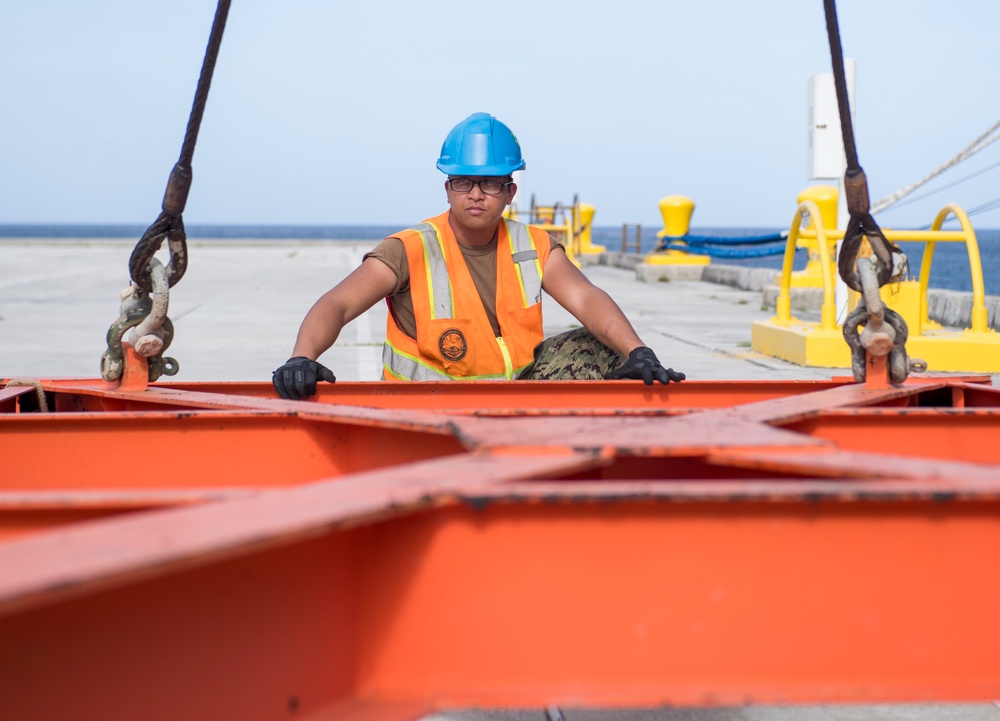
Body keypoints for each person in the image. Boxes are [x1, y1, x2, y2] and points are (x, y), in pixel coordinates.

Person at [273, 112, 684, 399]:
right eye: (463, 182)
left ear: (510, 192)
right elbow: (337, 303)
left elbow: (588, 300)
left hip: (513, 397)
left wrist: (638, 351)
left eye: (489, 183)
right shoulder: (411, 248)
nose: (474, 194)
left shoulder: (533, 244)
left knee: (604, 346)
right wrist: (302, 357)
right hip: (425, 406)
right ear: (447, 188)